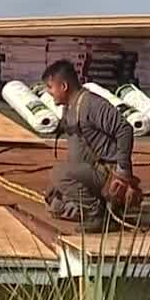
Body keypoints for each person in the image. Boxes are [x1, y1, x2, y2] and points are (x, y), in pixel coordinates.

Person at [41, 60, 137, 228]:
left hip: (105, 173)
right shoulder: (69, 107)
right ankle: (100, 207)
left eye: (50, 87)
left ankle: (98, 215)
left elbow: (124, 129)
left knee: (59, 174)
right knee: (53, 198)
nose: (48, 92)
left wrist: (123, 170)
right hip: (90, 170)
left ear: (63, 86)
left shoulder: (91, 104)